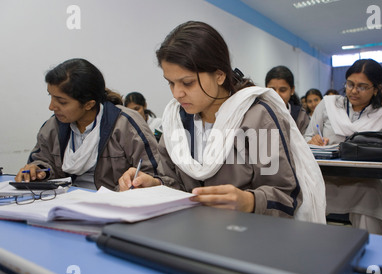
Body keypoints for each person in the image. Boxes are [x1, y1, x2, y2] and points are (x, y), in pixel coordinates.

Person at [119, 21, 326, 223]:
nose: (177, 93)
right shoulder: (177, 120)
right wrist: (154, 184)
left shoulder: (257, 118)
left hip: (247, 233)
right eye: (170, 83)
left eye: (187, 82)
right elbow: (174, 183)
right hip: (192, 230)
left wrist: (249, 201)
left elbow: (284, 196)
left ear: (219, 75)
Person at [15, 58, 160, 191]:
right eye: (51, 97)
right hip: (65, 203)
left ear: (89, 104)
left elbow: (155, 175)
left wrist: (129, 188)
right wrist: (38, 170)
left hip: (112, 206)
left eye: (62, 101)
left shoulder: (125, 125)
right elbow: (42, 159)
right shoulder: (53, 126)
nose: (51, 106)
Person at [304, 59, 382, 236]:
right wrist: (312, 141)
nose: (353, 91)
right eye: (350, 84)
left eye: (362, 86)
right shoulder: (328, 104)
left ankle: (368, 252)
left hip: (368, 180)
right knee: (307, 192)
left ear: (375, 89)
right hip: (327, 176)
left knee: (371, 193)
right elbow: (306, 138)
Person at [265, 66, 310, 134]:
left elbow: (306, 140)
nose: (277, 95)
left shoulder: (301, 117)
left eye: (282, 90)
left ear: (292, 90)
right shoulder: (259, 113)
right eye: (272, 90)